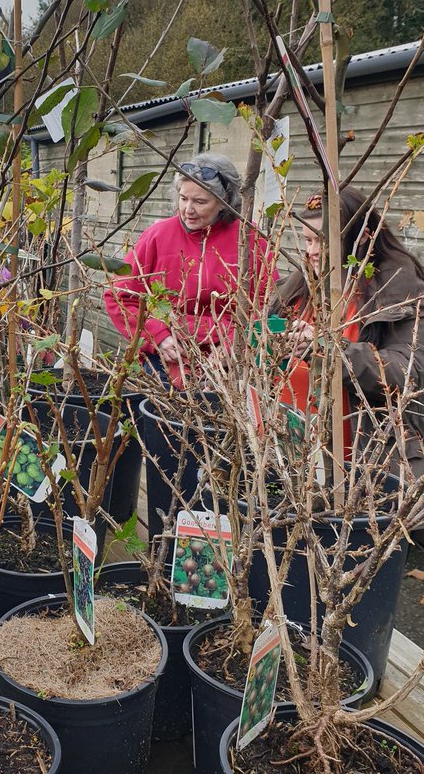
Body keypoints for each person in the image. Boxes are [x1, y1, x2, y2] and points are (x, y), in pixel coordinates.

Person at [104, 155, 276, 539]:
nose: (188, 209)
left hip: (226, 374)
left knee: (218, 470)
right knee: (167, 461)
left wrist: (233, 344)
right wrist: (157, 335)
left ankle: (217, 549)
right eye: (183, 198)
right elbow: (119, 295)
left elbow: (265, 310)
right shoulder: (158, 236)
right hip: (163, 371)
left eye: (200, 201)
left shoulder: (251, 244)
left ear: (225, 200)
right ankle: (164, 543)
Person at [277, 188, 424, 474]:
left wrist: (328, 348)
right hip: (295, 445)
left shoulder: (399, 292)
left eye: (323, 241)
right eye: (307, 240)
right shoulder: (300, 284)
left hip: (369, 457)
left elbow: (406, 375)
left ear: (363, 240)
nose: (312, 251)